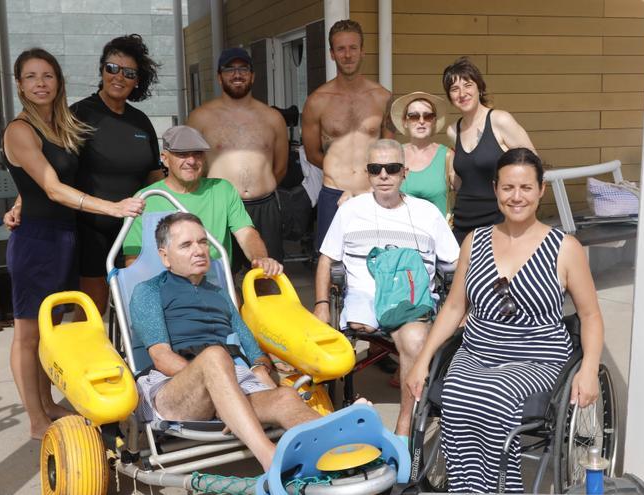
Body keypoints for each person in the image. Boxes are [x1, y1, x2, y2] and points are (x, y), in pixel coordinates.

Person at [405, 148, 604, 493]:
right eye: (508, 187)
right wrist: (422, 361)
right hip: (478, 350)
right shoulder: (474, 240)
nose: (516, 197)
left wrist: (589, 369)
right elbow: (454, 307)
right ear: (496, 189)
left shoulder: (565, 247)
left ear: (541, 190)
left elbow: (590, 315)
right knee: (454, 392)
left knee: (495, 394)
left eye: (526, 188)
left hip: (535, 357)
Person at [3, 48, 144, 438]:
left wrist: (17, 200)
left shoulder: (60, 126)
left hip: (67, 237)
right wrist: (113, 208)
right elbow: (49, 187)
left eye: (47, 76)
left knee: (56, 330)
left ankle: (48, 402)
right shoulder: (20, 129)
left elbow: (40, 179)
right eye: (31, 77)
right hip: (36, 241)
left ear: (58, 82)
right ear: (19, 85)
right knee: (28, 335)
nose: (40, 84)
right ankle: (36, 419)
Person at [129, 212, 319, 470]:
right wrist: (220, 385)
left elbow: (253, 350)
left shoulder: (220, 294)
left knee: (285, 396)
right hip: (172, 389)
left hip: (230, 380)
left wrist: (261, 368)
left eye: (202, 242)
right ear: (165, 257)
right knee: (215, 356)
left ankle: (342, 447)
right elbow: (161, 357)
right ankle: (269, 457)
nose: (198, 250)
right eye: (186, 245)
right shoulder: (149, 291)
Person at [313, 139, 459, 437]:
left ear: (404, 172)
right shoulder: (350, 210)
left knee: (416, 339)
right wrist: (321, 304)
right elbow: (326, 260)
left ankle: (405, 423)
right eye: (375, 169)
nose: (383, 175)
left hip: (410, 298)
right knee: (356, 326)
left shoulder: (427, 213)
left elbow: (456, 265)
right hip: (364, 299)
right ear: (367, 174)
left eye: (391, 169)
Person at [71, 34, 164, 315]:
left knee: (139, 305)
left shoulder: (140, 121)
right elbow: (54, 170)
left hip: (134, 229)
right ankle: (88, 360)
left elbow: (154, 174)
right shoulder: (79, 115)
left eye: (129, 73)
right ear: (102, 71)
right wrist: (20, 202)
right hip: (91, 228)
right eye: (112, 68)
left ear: (137, 80)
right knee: (92, 311)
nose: (118, 77)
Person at [121, 125, 282, 277]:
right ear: (165, 158)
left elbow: (246, 233)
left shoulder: (222, 189)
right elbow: (134, 258)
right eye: (182, 154)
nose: (191, 161)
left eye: (197, 153)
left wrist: (260, 258)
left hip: (216, 283)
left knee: (245, 300)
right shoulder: (146, 198)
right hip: (165, 287)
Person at [187, 47, 289, 271]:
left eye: (243, 68)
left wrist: (259, 187)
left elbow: (280, 167)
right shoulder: (200, 117)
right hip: (218, 207)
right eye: (229, 69)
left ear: (253, 75)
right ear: (219, 76)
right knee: (220, 277)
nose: (237, 74)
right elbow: (191, 166)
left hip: (264, 208)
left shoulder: (273, 118)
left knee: (267, 277)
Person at [301, 19, 393, 250]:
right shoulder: (317, 101)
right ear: (332, 54)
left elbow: (390, 149)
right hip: (334, 193)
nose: (348, 55)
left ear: (363, 51)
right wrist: (339, 169)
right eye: (340, 49)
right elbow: (312, 153)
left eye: (353, 48)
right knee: (331, 266)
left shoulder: (382, 97)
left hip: (374, 192)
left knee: (378, 261)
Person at [443, 57, 536, 244]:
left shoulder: (500, 120)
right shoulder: (453, 131)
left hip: (500, 220)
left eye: (468, 85)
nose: (462, 93)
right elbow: (465, 177)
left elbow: (533, 165)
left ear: (479, 88)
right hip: (463, 223)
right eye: (454, 89)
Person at [390, 91, 452, 216]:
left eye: (428, 116)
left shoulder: (448, 156)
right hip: (401, 232)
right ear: (405, 122)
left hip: (437, 232)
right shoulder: (394, 155)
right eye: (414, 116)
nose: (421, 121)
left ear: (434, 121)